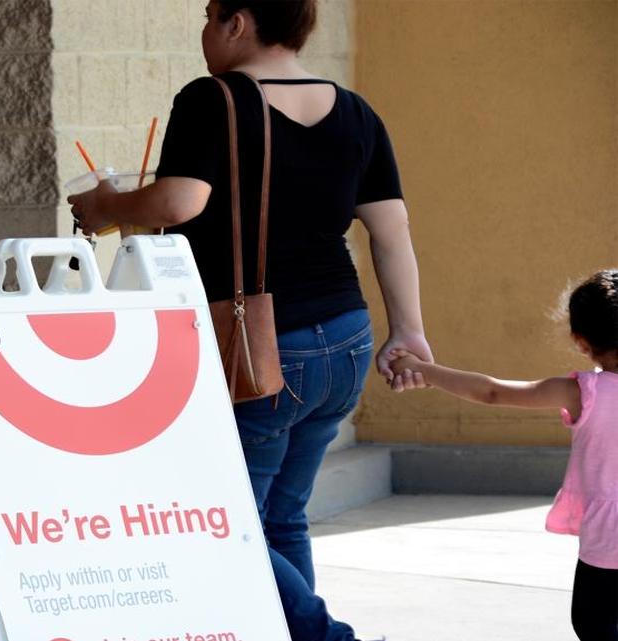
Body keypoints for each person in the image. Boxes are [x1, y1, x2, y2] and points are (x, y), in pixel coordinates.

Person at [68, 1, 431, 639]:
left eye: (210, 16)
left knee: (225, 519)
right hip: (346, 337)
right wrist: (411, 330)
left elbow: (181, 201)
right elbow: (392, 230)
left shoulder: (216, 99)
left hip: (261, 345)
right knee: (282, 516)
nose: (205, 31)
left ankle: (326, 637)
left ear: (238, 23)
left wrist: (105, 206)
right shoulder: (354, 110)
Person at [390, 270, 618, 641]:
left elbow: (493, 393)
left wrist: (424, 371)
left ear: (581, 341)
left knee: (595, 622)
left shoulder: (584, 392)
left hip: (608, 537)